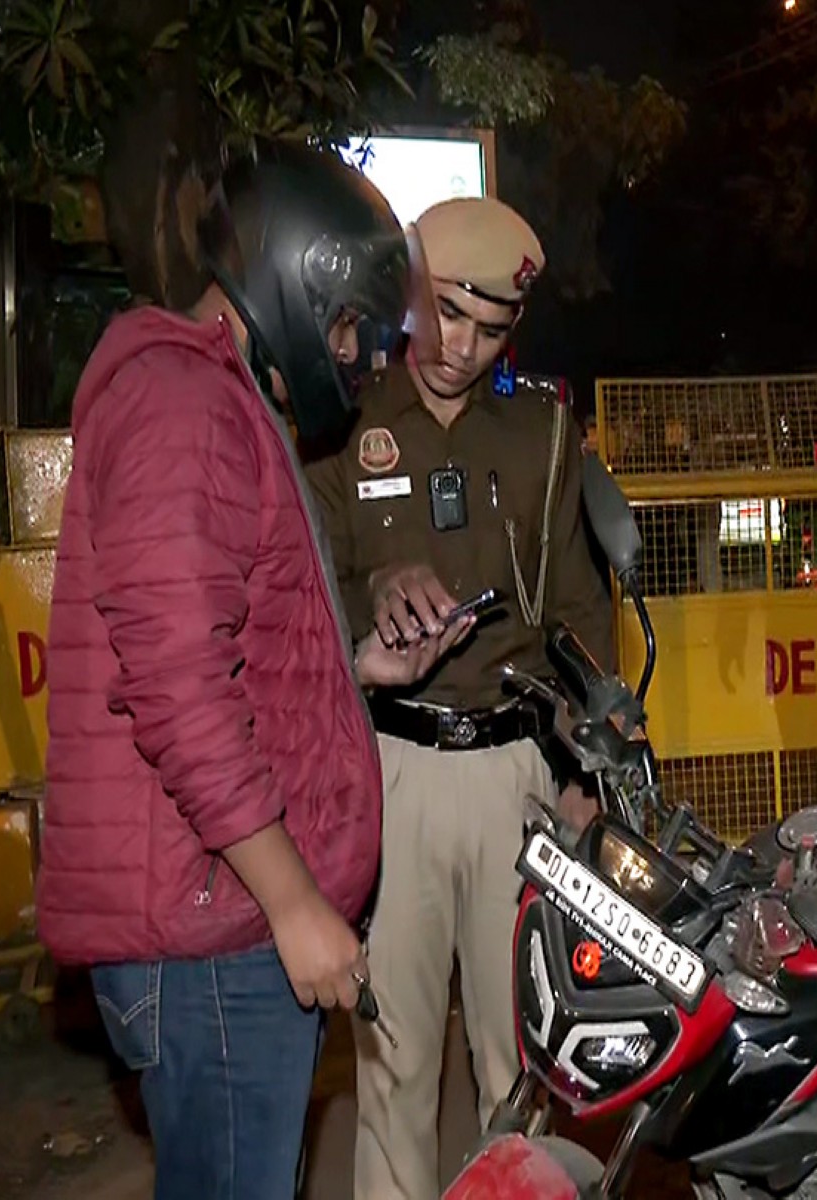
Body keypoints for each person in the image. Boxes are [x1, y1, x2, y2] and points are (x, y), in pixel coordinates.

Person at [37, 142, 469, 1200]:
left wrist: (355, 671)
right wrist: (294, 904)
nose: (354, 353)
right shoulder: (182, 405)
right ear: (297, 279)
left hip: (218, 920)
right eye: (348, 324)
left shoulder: (218, 399)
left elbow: (226, 651)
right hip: (215, 937)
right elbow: (179, 689)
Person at [306, 195, 615, 1199]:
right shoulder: (341, 423)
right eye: (445, 312)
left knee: (518, 1064)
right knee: (391, 1061)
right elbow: (301, 594)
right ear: (407, 293)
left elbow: (578, 607)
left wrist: (587, 769)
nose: (461, 347)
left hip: (512, 773)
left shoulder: (542, 435)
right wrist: (375, 595)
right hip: (390, 768)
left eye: (488, 327)